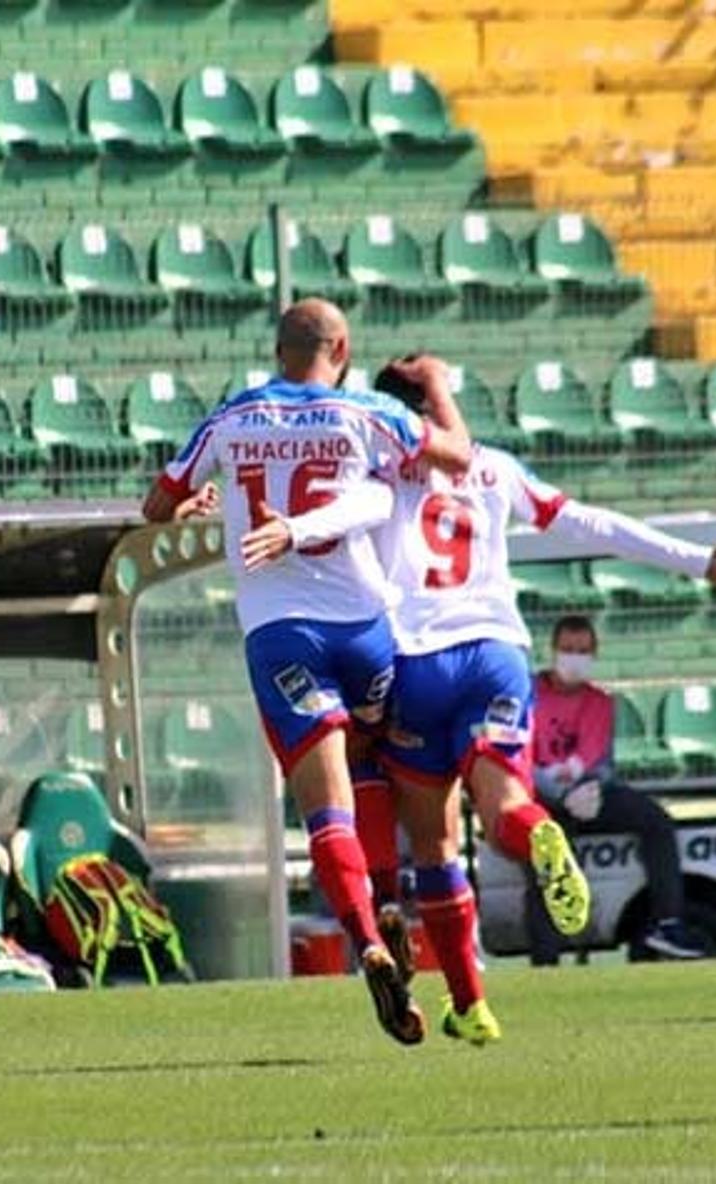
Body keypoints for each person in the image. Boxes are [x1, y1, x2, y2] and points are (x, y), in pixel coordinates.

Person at [258, 357, 716, 1043]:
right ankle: (541, 838)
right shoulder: (496, 469)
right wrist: (699, 560)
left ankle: (463, 995)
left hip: (418, 660)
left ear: (389, 415)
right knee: (505, 810)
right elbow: (591, 525)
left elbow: (326, 538)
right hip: (499, 653)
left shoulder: (377, 472)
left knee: (437, 842)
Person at [140, 304, 474, 1046]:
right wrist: (439, 385)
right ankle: (393, 893)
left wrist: (211, 498)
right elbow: (456, 452)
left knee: (326, 812)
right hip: (365, 633)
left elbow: (156, 506)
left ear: (277, 350)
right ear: (343, 350)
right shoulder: (367, 410)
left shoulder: (234, 415)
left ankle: (370, 944)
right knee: (372, 754)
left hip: (280, 636)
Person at [530, 615, 706, 961]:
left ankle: (667, 923)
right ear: (553, 650)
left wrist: (592, 788)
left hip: (588, 795)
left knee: (654, 820)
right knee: (549, 860)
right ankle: (546, 958)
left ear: (594, 653)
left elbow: (603, 762)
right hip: (543, 799)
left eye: (583, 650)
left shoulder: (599, 701)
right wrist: (559, 793)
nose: (574, 658)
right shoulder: (528, 692)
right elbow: (519, 759)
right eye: (567, 649)